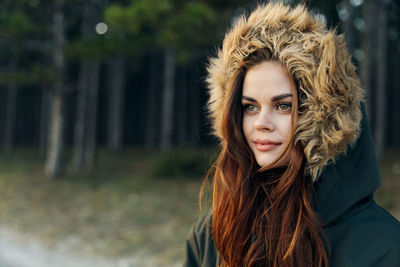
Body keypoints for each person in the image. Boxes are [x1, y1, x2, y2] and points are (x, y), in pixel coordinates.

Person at [183, 2, 400, 267]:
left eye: (283, 106)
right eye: (250, 107)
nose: (262, 123)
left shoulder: (384, 247)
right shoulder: (214, 235)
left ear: (323, 118)